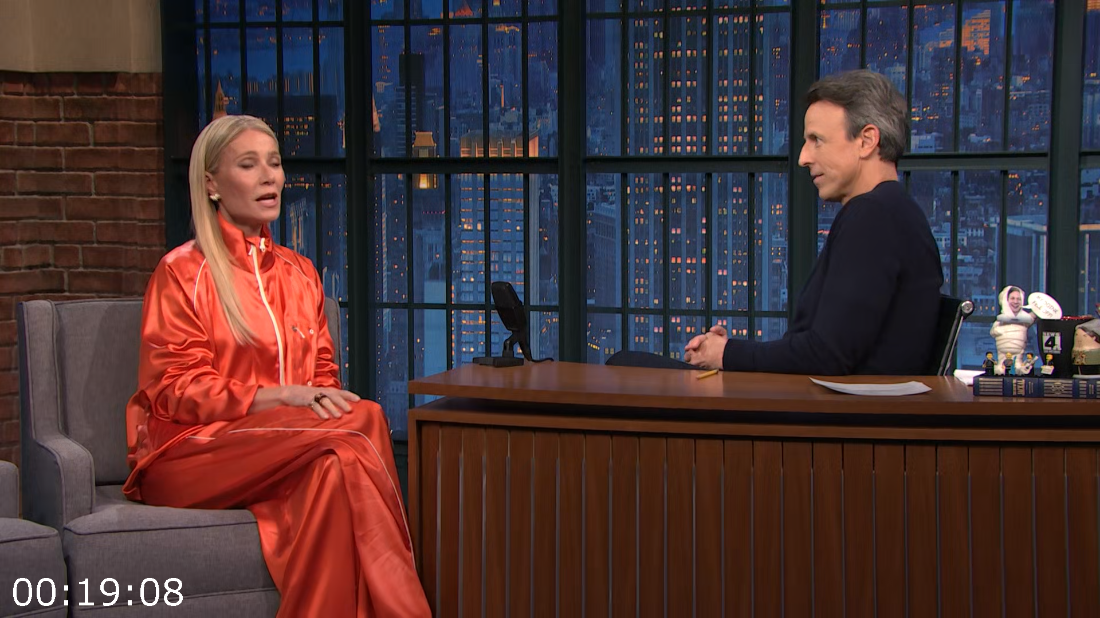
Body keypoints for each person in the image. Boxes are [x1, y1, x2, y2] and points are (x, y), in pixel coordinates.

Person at [122, 115, 430, 617]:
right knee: (366, 419)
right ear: (211, 184)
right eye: (249, 165)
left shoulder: (300, 274)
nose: (270, 177)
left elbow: (324, 380)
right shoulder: (181, 272)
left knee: (333, 471)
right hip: (189, 455)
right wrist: (280, 396)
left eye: (275, 162)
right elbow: (175, 389)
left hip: (289, 449)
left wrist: (311, 398)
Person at [682, 70, 943, 375]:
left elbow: (826, 355)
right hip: (827, 398)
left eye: (816, 140)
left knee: (636, 364)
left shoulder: (875, 216)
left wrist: (726, 354)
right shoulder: (894, 211)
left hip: (835, 404)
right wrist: (731, 352)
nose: (803, 157)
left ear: (866, 141)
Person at [989, 285, 1035, 375]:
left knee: (1019, 370)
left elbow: (1034, 315)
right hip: (1002, 360)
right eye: (1012, 298)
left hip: (1018, 360)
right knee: (1001, 371)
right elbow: (993, 332)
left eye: (1018, 299)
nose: (1015, 302)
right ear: (1006, 300)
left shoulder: (1025, 321)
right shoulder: (999, 322)